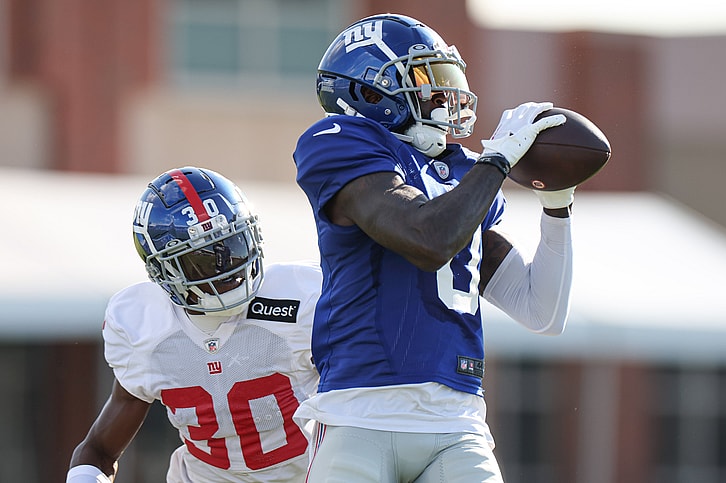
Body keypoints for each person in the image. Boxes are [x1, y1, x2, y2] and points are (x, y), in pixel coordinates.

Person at [292, 13, 575, 482]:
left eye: (448, 80)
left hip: (457, 422)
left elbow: (541, 311)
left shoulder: (466, 173)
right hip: (361, 413)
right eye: (428, 80)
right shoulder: (340, 141)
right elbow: (428, 240)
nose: (446, 97)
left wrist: (557, 207)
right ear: (369, 88)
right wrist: (498, 160)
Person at [66, 167, 322, 483]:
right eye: (201, 259)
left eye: (232, 246)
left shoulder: (302, 295)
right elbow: (98, 450)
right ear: (165, 270)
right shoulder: (144, 324)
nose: (225, 267)